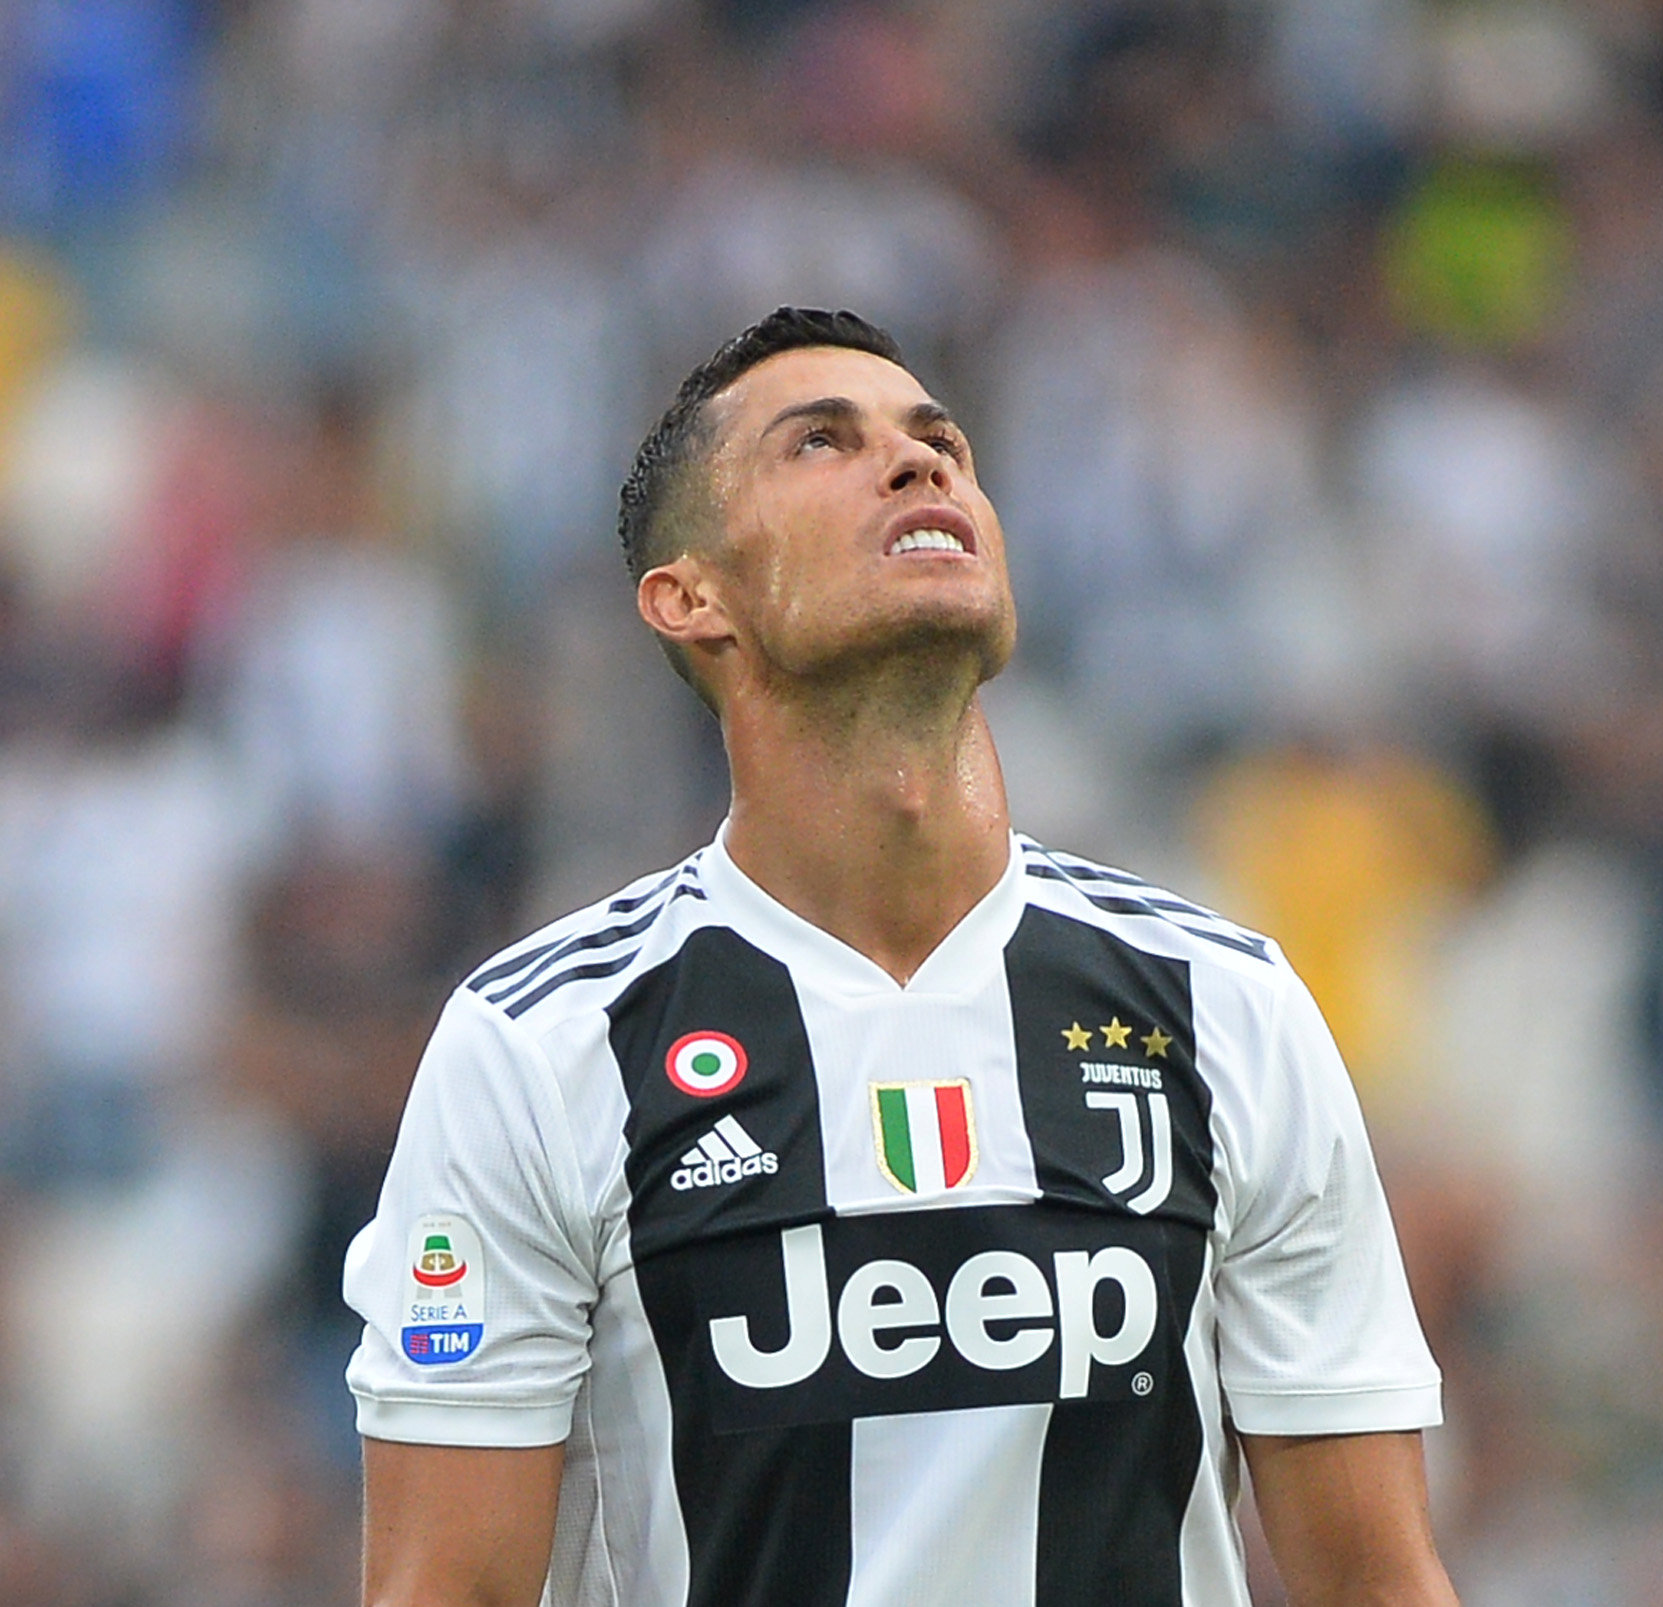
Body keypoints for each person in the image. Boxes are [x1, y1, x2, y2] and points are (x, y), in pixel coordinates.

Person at [345, 307, 1457, 1607]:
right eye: (822, 443)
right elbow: (444, 1593)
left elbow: (1376, 1585)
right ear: (690, 595)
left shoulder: (1224, 1011)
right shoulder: (542, 1047)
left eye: (943, 443)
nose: (920, 464)